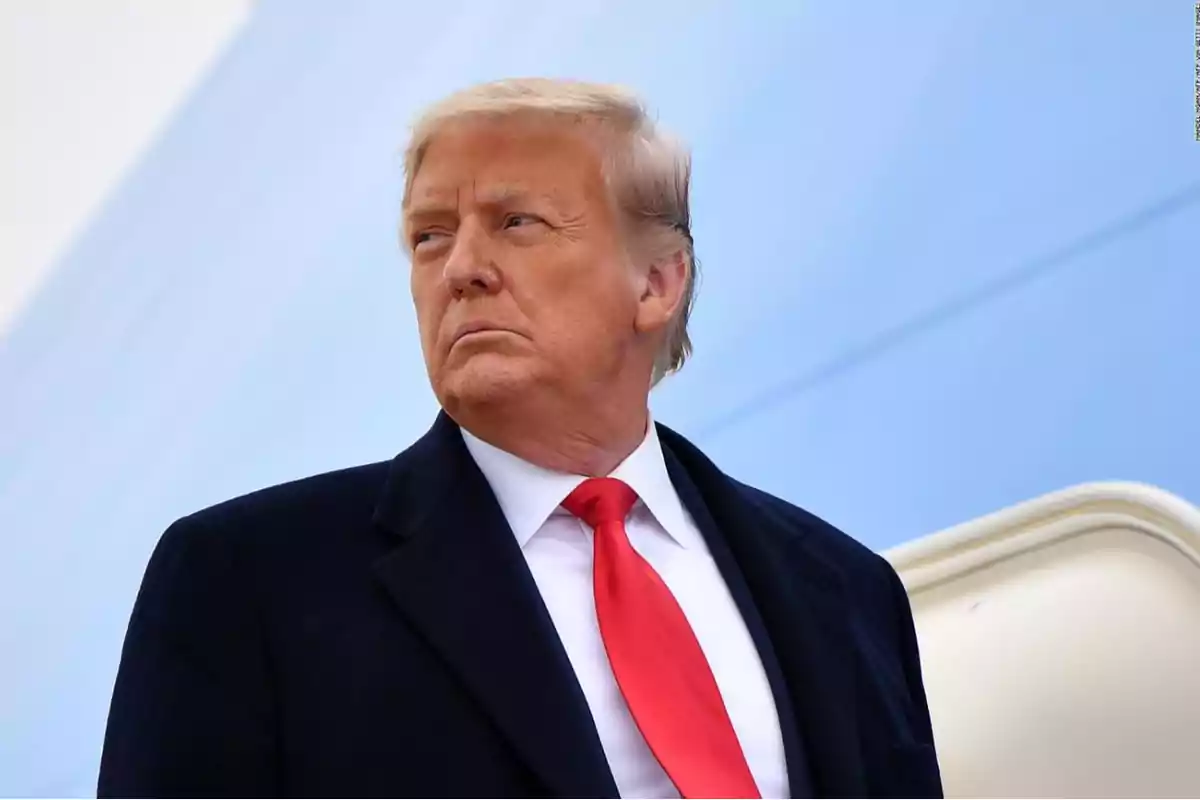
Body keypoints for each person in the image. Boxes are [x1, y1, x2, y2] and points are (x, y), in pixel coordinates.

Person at [98, 78, 943, 799]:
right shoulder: (250, 584)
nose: (460, 267)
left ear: (655, 282)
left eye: (517, 223)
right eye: (429, 235)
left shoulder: (846, 591)